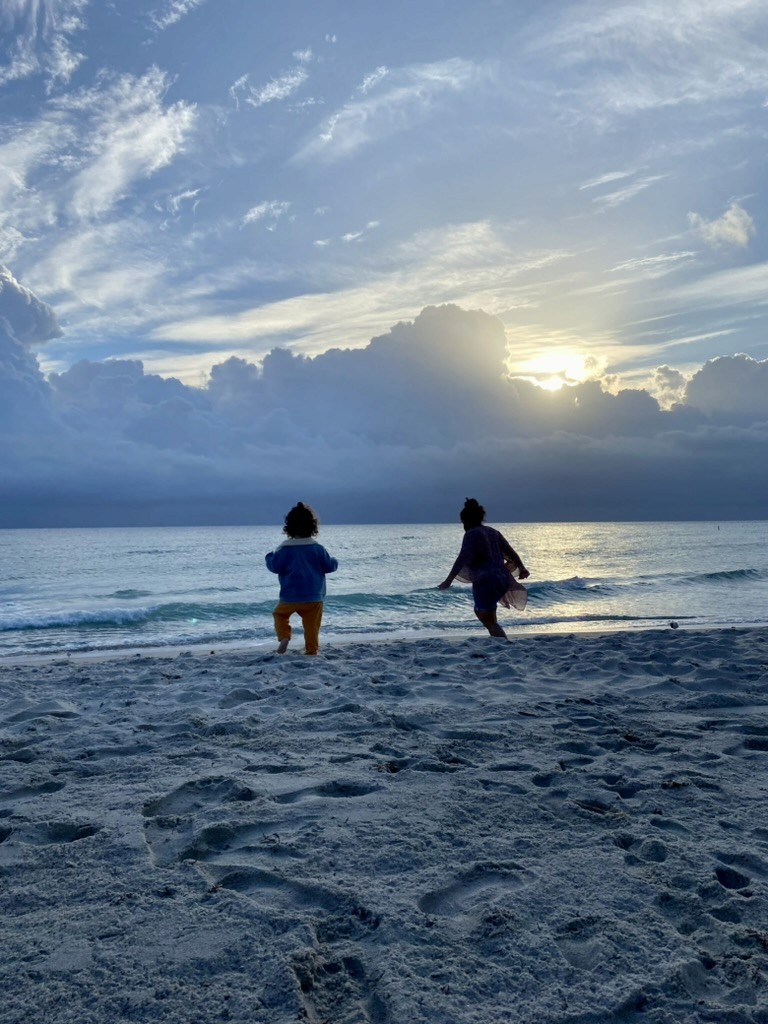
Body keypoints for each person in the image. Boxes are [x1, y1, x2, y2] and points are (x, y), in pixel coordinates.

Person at [438, 498, 530, 639]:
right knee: (487, 615)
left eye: (463, 522)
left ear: (466, 520)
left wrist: (448, 580)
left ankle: (502, 642)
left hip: (485, 580)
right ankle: (498, 640)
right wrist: (522, 568)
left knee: (489, 621)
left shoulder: (471, 534)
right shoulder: (493, 532)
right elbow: (511, 552)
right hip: (502, 578)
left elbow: (462, 558)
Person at [265, 502, 338, 655]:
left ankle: (284, 637)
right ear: (313, 527)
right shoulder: (317, 548)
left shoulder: (285, 549)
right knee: (312, 626)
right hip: (314, 597)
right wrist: (335, 561)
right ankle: (311, 650)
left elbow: (275, 567)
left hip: (290, 597)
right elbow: (329, 566)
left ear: (288, 527)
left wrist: (269, 557)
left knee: (280, 615)